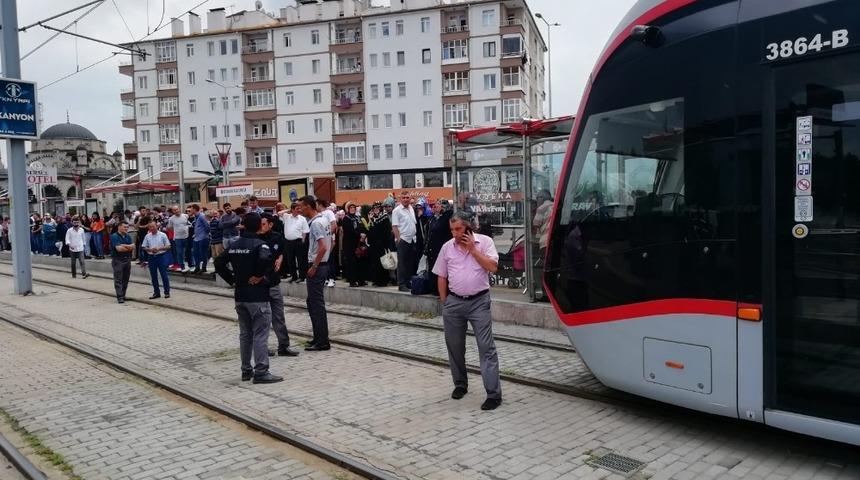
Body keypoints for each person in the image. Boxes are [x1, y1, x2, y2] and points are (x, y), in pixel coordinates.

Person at [433, 211, 502, 411]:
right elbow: (441, 276)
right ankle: (460, 384)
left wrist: (473, 250)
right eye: (452, 230)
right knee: (454, 346)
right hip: (454, 303)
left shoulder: (485, 242)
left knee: (486, 347)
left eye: (458, 229)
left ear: (468, 228)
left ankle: (493, 394)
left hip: (479, 302)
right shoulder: (447, 248)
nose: (454, 234)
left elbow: (492, 267)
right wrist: (445, 301)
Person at [214, 213, 283, 384]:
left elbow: (218, 263)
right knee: (260, 334)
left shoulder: (234, 245)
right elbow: (265, 261)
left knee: (245, 334)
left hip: (240, 296)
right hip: (257, 296)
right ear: (259, 226)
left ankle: (246, 370)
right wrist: (259, 276)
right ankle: (261, 371)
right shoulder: (261, 245)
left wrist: (232, 280)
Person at [260, 213, 300, 357]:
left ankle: (283, 346)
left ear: (270, 224)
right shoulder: (254, 239)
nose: (261, 226)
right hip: (260, 285)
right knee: (262, 319)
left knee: (279, 316)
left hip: (274, 282)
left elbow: (282, 249)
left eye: (263, 224)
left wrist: (281, 257)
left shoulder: (277, 236)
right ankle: (261, 347)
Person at [300, 195, 331, 351]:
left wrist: (314, 266)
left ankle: (322, 341)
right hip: (322, 265)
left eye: (301, 206)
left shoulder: (316, 224)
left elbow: (323, 247)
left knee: (316, 304)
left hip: (318, 266)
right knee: (312, 302)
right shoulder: (323, 220)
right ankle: (318, 337)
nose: (299, 209)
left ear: (308, 206)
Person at [425, 199, 453, 296]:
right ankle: (434, 289)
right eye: (435, 204)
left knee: (442, 271)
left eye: (438, 204)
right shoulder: (434, 217)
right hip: (432, 249)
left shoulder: (448, 217)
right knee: (434, 269)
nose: (435, 206)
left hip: (442, 248)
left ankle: (443, 291)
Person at [391, 192, 418, 291]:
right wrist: (399, 239)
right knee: (402, 263)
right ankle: (401, 284)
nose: (406, 199)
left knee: (409, 263)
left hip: (412, 240)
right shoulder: (396, 211)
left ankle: (407, 282)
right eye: (404, 197)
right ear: (400, 199)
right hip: (403, 240)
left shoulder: (411, 208)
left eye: (407, 197)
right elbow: (394, 226)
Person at [141, 220, 171, 299]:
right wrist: (150, 249)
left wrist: (159, 248)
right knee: (153, 276)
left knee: (164, 275)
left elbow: (168, 246)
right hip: (151, 257)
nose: (152, 228)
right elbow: (143, 246)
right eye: (150, 227)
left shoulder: (163, 235)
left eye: (153, 226)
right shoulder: (147, 236)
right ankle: (156, 292)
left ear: (156, 226)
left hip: (161, 256)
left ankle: (167, 292)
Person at [281, 202, 309, 283]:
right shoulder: (286, 217)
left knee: (301, 260)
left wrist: (303, 241)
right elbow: (279, 213)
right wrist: (289, 210)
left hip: (298, 241)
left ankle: (302, 276)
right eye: (297, 209)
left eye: (300, 208)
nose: (299, 210)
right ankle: (293, 276)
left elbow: (305, 231)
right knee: (290, 260)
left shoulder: (302, 218)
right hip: (288, 242)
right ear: (292, 210)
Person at [341, 202, 367, 287]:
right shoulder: (346, 218)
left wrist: (363, 234)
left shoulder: (357, 218)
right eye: (350, 207)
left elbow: (361, 227)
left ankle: (361, 280)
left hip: (358, 243)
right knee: (352, 263)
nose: (352, 209)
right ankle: (352, 281)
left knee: (360, 262)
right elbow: (349, 230)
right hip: (349, 243)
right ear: (348, 209)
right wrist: (359, 234)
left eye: (353, 207)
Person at [367, 202, 393, 287]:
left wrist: (386, 244)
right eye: (374, 208)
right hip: (374, 245)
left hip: (382, 244)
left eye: (378, 208)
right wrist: (370, 220)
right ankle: (376, 280)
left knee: (383, 262)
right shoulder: (372, 218)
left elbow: (387, 231)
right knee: (375, 263)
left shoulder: (384, 217)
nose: (376, 210)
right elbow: (369, 230)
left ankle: (383, 281)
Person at [110, 221, 134, 303]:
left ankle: (123, 295)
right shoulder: (114, 236)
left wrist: (123, 245)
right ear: (119, 227)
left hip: (127, 259)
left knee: (125, 278)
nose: (126, 229)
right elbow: (119, 249)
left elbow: (133, 247)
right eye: (124, 227)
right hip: (118, 260)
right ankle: (119, 296)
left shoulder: (128, 236)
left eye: (127, 227)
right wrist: (128, 247)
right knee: (118, 279)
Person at [316, 198, 338, 287]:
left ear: (320, 204)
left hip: (329, 239)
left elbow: (334, 225)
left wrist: (328, 237)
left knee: (330, 259)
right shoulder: (318, 215)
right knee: (323, 260)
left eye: (316, 204)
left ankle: (332, 279)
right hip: (320, 240)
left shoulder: (329, 212)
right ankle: (325, 278)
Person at [167, 206, 190, 272]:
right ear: (173, 212)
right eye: (174, 210)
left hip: (186, 237)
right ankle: (182, 266)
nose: (176, 211)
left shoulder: (185, 216)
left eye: (177, 209)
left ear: (179, 209)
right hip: (177, 238)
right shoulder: (171, 219)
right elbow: (170, 227)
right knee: (179, 253)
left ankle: (191, 265)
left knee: (188, 252)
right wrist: (176, 231)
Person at [191, 204, 210, 273]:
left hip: (203, 238)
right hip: (196, 238)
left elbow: (207, 226)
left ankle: (204, 267)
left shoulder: (202, 216)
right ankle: (197, 267)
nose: (190, 210)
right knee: (195, 253)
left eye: (191, 209)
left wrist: (205, 234)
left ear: (195, 209)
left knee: (203, 253)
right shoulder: (196, 217)